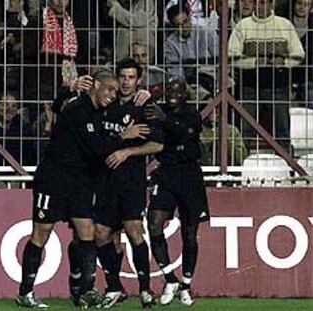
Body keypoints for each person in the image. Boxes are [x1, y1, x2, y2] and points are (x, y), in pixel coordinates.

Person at [15, 71, 150, 309]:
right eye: (109, 89)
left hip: (79, 181)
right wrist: (123, 136)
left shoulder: (99, 113)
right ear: (96, 85)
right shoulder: (77, 108)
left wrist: (144, 97)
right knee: (42, 231)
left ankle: (87, 290)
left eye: (116, 92)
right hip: (54, 179)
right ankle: (25, 292)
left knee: (86, 230)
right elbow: (95, 147)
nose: (112, 95)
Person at [93, 58, 163, 308]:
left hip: (131, 180)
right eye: (122, 76)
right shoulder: (105, 104)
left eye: (131, 77)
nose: (125, 82)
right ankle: (114, 287)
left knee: (134, 229)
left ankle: (145, 289)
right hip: (105, 179)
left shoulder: (144, 105)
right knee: (102, 233)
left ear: (139, 80)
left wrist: (127, 152)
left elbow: (157, 144)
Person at [145, 77, 210, 306]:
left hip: (190, 175)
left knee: (190, 233)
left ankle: (186, 284)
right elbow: (154, 136)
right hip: (166, 173)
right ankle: (169, 278)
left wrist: (166, 121)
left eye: (177, 90)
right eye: (170, 89)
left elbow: (185, 134)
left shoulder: (192, 115)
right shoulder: (157, 112)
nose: (172, 93)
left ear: (185, 94)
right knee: (153, 223)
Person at [228, 0, 305, 151]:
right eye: (256, 3)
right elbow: (231, 56)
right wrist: (255, 62)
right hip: (249, 86)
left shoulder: (284, 25)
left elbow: (299, 54)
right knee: (246, 130)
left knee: (282, 130)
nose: (259, 6)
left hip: (278, 86)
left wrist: (282, 62)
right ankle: (243, 164)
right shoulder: (243, 26)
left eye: (263, 3)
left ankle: (287, 162)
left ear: (272, 4)